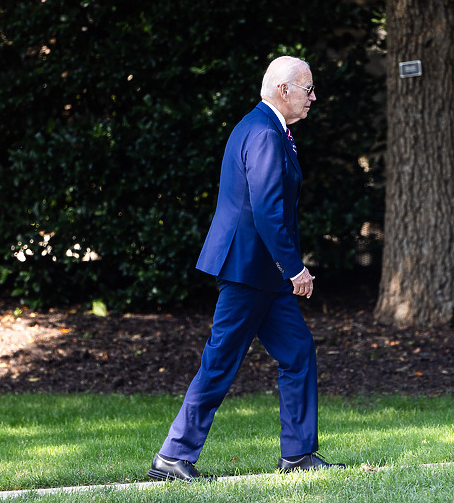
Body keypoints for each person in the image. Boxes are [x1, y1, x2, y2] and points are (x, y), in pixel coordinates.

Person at [147, 56, 345, 482]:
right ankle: (173, 456)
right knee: (220, 361)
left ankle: (298, 454)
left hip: (263, 274)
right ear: (282, 89)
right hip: (248, 270)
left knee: (297, 352)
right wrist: (295, 270)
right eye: (307, 88)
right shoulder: (264, 132)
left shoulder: (265, 127)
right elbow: (268, 211)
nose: (313, 97)